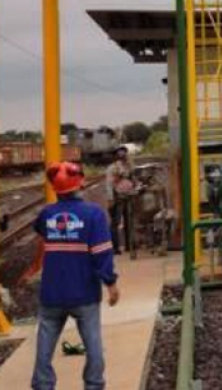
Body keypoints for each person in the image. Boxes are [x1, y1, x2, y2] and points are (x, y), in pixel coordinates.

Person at [32, 162, 120, 390]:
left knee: (44, 345)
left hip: (52, 294)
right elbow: (102, 252)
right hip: (84, 294)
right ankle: (93, 385)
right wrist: (110, 283)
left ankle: (42, 385)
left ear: (54, 188)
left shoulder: (47, 214)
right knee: (93, 345)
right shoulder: (93, 215)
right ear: (80, 182)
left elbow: (40, 228)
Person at [104, 147, 131, 255]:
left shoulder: (128, 167)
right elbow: (108, 184)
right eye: (121, 154)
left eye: (124, 153)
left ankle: (129, 245)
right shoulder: (112, 168)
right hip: (117, 198)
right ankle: (115, 247)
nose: (123, 156)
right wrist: (110, 199)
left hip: (127, 196)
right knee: (115, 223)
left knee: (128, 221)